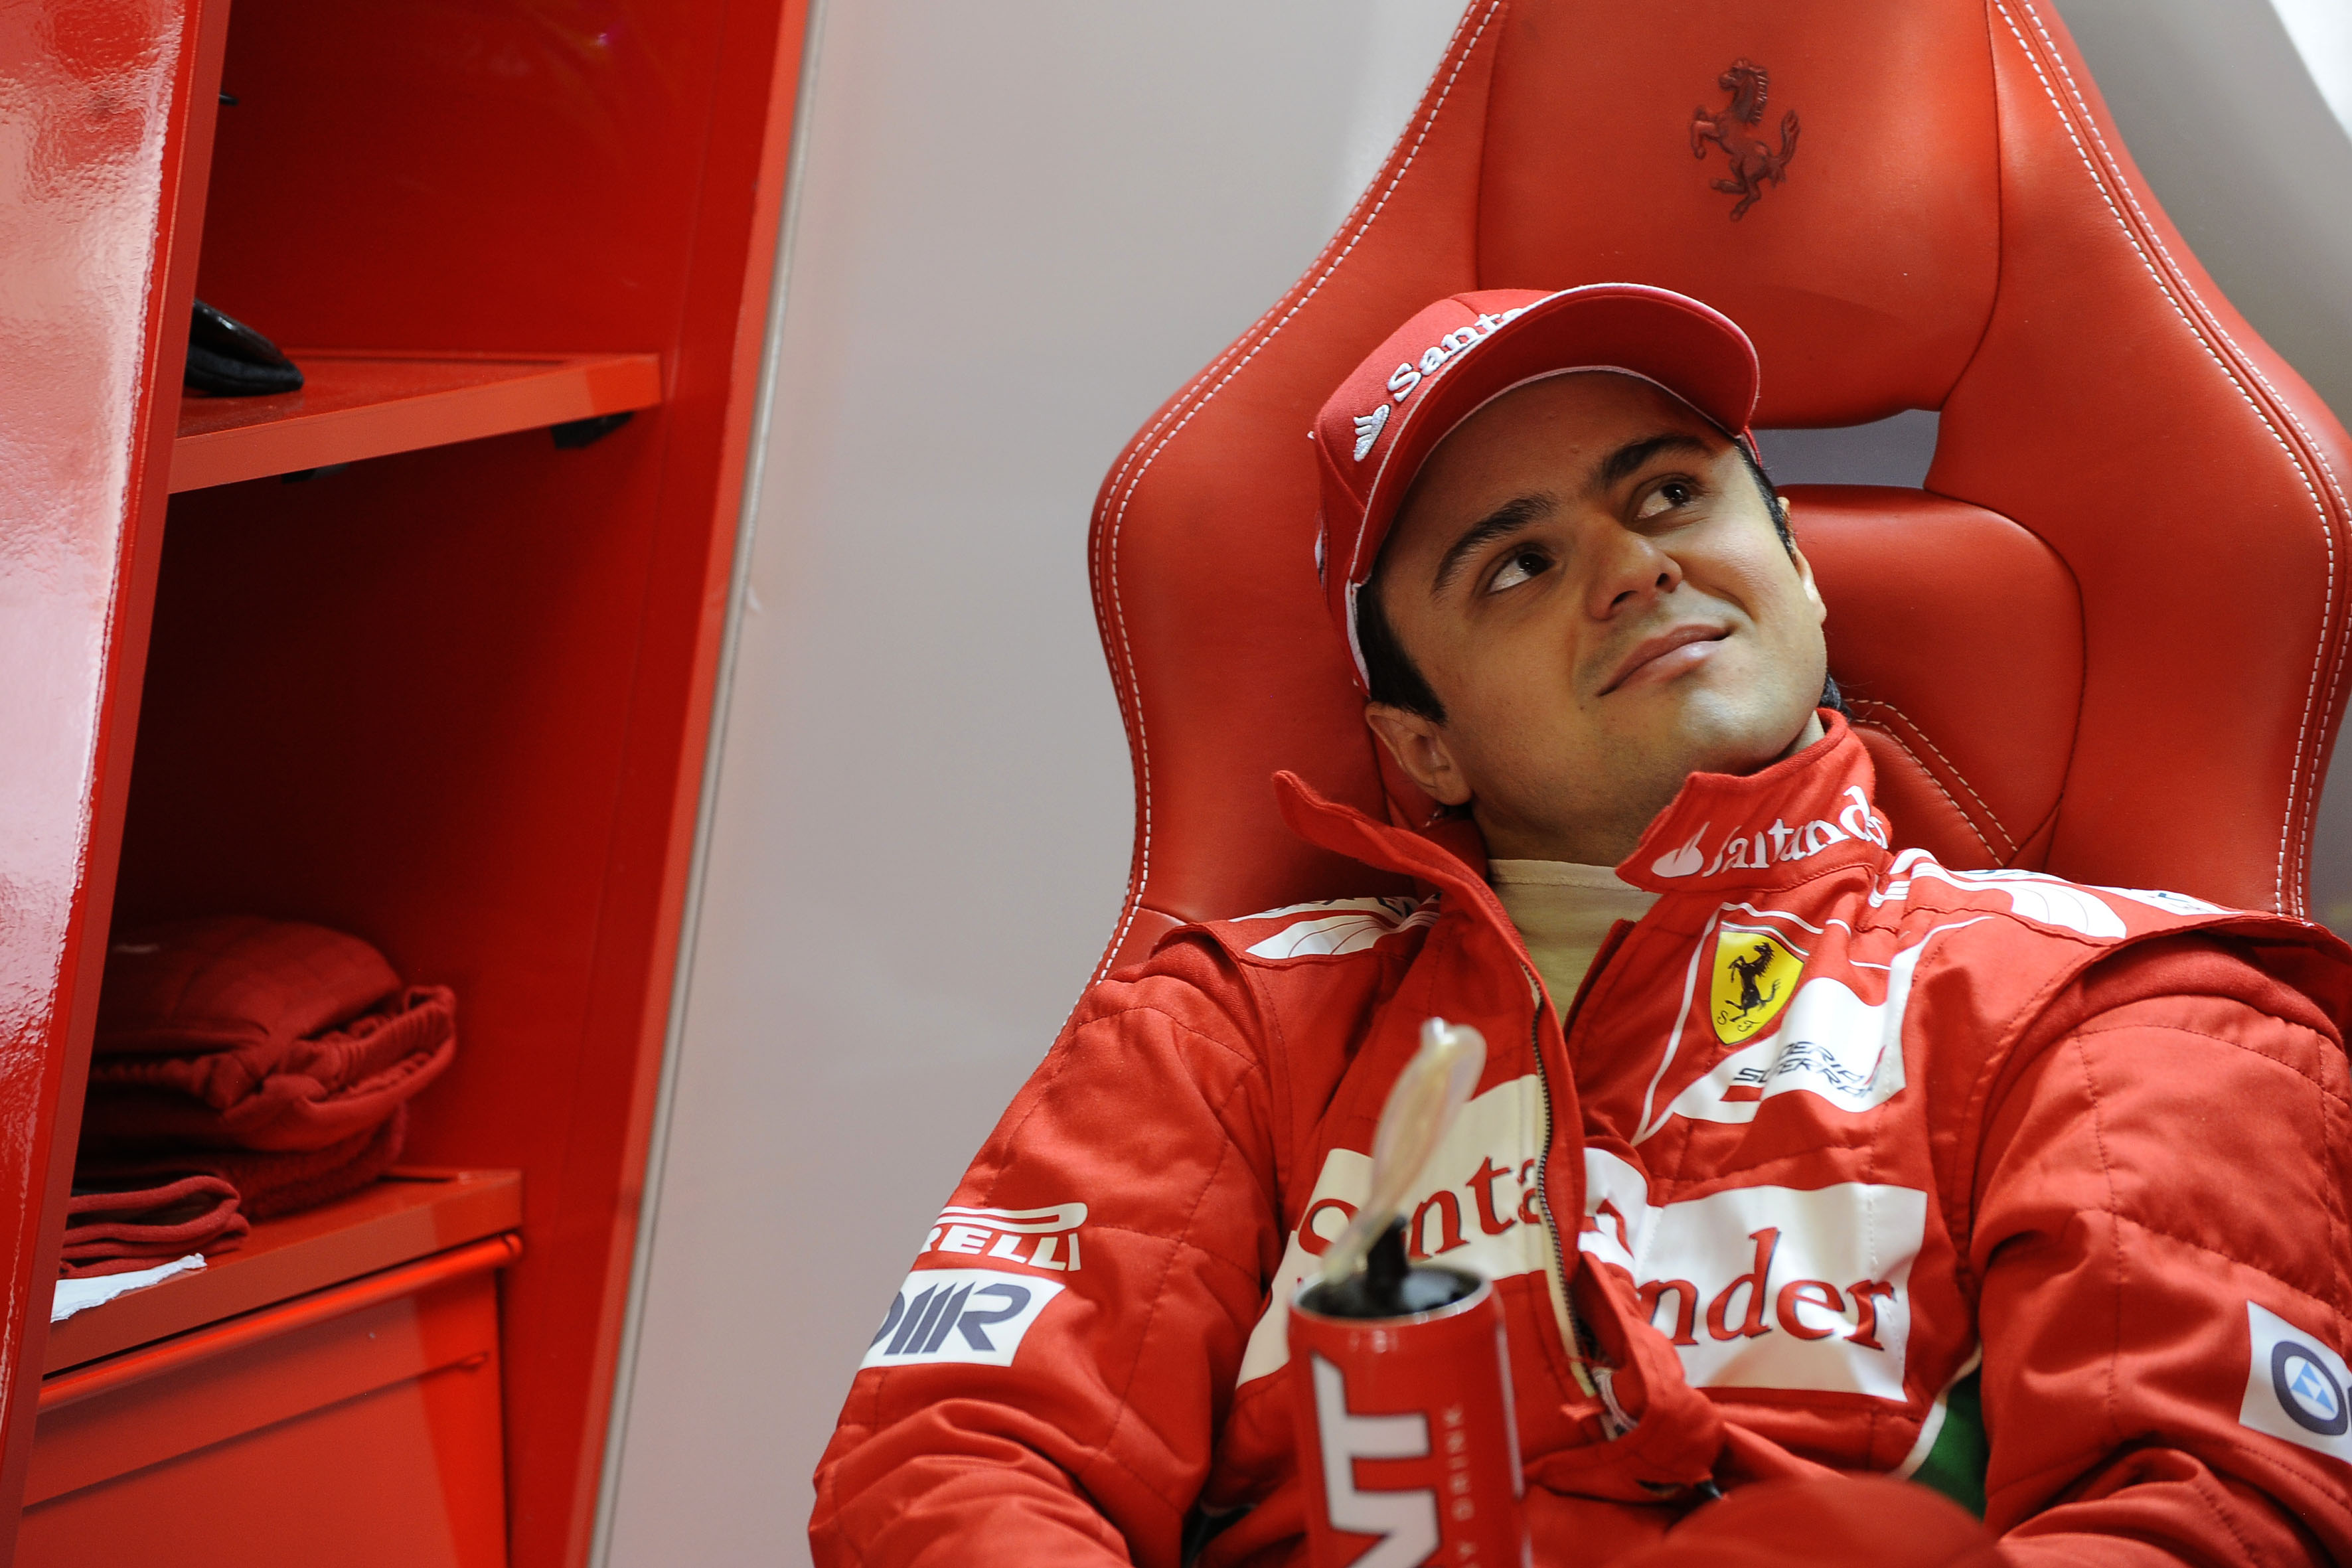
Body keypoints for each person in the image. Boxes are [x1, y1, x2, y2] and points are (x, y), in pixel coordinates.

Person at [809, 284, 2352, 1567]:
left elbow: (2203, 1509)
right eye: (1517, 563)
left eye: (1667, 491)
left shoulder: (2120, 995)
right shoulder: (1225, 1027)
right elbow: (954, 1459)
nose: (1630, 566)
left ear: (1801, 577)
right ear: (1423, 745)